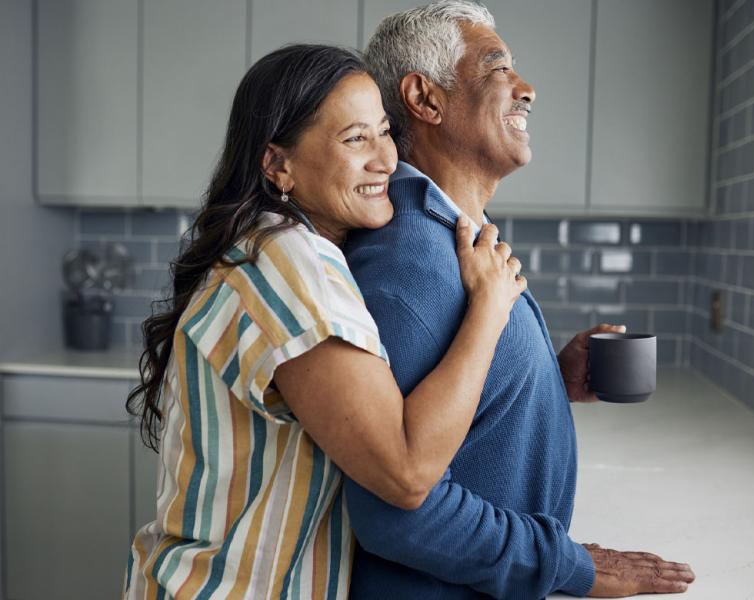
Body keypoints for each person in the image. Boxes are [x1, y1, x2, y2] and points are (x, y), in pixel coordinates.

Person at [123, 44, 528, 599]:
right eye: (354, 138)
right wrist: (489, 308)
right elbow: (406, 473)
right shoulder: (290, 265)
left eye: (385, 131)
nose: (385, 159)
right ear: (278, 164)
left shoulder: (279, 249)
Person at [342, 2, 697, 598]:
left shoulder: (452, 235)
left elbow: (452, 418)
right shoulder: (412, 261)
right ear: (426, 100)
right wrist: (570, 566)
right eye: (497, 69)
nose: (526, 89)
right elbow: (397, 514)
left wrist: (550, 381)